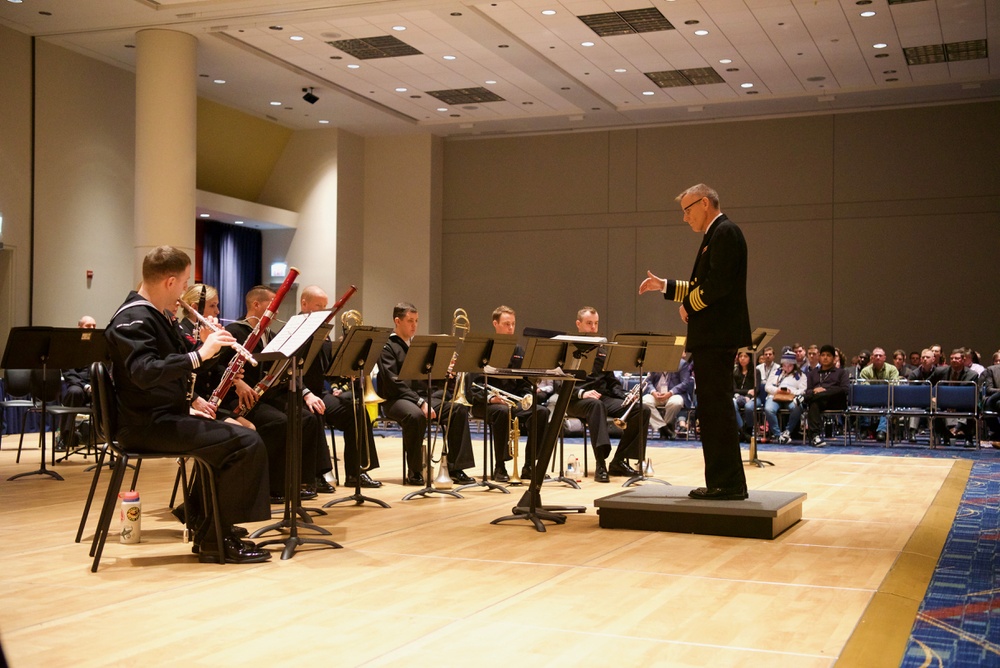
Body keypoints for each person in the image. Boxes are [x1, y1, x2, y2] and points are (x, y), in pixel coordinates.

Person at [105, 246, 270, 563]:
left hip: (163, 416)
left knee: (238, 437)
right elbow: (144, 372)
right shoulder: (133, 319)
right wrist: (198, 354)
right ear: (169, 282)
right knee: (245, 443)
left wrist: (214, 346)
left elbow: (184, 367)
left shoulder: (155, 317)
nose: (184, 292)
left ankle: (209, 525)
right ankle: (213, 537)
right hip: (145, 425)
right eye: (183, 284)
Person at [639, 183, 751, 500]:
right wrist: (665, 286)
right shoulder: (715, 236)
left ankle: (726, 483)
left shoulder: (725, 232)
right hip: (713, 336)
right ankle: (723, 481)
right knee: (713, 410)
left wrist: (689, 305)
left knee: (717, 411)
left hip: (716, 336)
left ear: (704, 203)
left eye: (687, 210)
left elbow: (716, 285)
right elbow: (702, 284)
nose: (685, 218)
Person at [210, 285, 327, 503]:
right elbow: (216, 367)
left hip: (264, 397)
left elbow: (281, 370)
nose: (278, 312)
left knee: (308, 418)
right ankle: (272, 485)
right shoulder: (236, 331)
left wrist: (305, 393)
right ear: (256, 305)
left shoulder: (270, 335)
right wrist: (238, 382)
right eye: (273, 305)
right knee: (279, 423)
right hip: (237, 400)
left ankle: (301, 480)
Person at [377, 302, 476, 485]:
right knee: (415, 416)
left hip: (422, 398)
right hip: (396, 400)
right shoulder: (387, 347)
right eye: (410, 321)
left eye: (416, 321)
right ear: (397, 321)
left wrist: (444, 373)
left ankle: (456, 468)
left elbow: (427, 375)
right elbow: (394, 383)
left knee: (458, 410)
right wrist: (420, 401)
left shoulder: (420, 346)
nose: (414, 325)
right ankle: (415, 471)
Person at [298, 285, 381, 489]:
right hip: (297, 392)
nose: (325, 311)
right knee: (314, 413)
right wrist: (306, 394)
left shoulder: (323, 331)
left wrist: (347, 367)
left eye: (326, 306)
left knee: (355, 410)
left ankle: (356, 472)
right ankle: (316, 475)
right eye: (319, 306)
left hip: (320, 392)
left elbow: (326, 367)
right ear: (304, 304)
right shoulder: (297, 328)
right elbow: (286, 370)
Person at [561, 307, 651, 483]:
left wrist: (626, 395)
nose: (593, 328)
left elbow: (611, 381)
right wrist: (582, 393)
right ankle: (601, 463)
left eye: (596, 324)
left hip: (602, 398)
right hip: (575, 399)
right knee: (596, 406)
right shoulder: (568, 348)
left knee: (641, 410)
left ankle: (618, 462)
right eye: (589, 323)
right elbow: (560, 382)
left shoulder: (602, 350)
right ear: (578, 324)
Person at [466, 305, 551, 482]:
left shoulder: (518, 351)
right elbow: (473, 385)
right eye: (506, 324)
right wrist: (491, 398)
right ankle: (500, 466)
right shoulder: (483, 349)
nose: (511, 328)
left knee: (541, 412)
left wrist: (527, 396)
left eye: (513, 324)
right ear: (495, 324)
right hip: (486, 404)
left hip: (512, 402)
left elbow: (525, 382)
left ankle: (530, 466)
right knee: (502, 412)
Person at [57, 315, 98, 451]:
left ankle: (107, 436)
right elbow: (68, 372)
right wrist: (85, 386)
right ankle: (65, 437)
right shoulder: (70, 347)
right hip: (78, 386)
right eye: (88, 326)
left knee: (110, 393)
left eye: (94, 326)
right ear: (79, 328)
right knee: (74, 392)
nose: (92, 328)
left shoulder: (99, 346)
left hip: (95, 385)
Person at [802, 345, 849, 447]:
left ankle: (802, 400)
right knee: (814, 403)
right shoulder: (813, 374)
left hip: (836, 402)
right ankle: (815, 436)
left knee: (814, 398)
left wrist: (825, 390)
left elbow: (844, 390)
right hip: (819, 402)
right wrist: (815, 391)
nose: (825, 357)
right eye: (823, 355)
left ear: (834, 358)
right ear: (819, 357)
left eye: (828, 355)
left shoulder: (841, 372)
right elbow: (809, 390)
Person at [642, 355, 694, 440]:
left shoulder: (681, 364)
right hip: (656, 394)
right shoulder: (655, 363)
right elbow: (648, 381)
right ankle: (665, 428)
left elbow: (685, 383)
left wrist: (670, 393)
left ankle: (663, 429)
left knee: (675, 403)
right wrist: (653, 392)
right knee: (644, 402)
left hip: (674, 394)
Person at [763, 350, 807, 443]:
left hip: (790, 398)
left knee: (797, 407)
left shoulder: (800, 375)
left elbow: (803, 390)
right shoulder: (775, 373)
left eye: (789, 365)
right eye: (784, 365)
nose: (786, 367)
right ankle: (778, 435)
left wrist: (791, 392)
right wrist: (776, 390)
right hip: (775, 396)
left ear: (794, 365)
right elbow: (767, 387)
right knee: (768, 409)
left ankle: (787, 431)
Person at [731, 351, 755, 441]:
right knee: (732, 404)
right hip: (737, 396)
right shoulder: (734, 371)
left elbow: (757, 389)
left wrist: (749, 395)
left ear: (750, 358)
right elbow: (733, 389)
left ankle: (748, 430)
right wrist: (748, 391)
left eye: (745, 356)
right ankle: (742, 431)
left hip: (753, 397)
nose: (742, 358)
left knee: (749, 407)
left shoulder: (755, 371)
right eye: (741, 356)